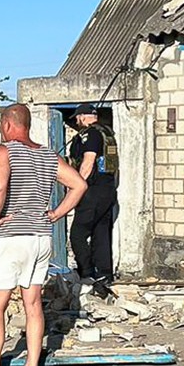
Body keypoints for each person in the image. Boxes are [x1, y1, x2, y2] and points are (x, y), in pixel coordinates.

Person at [0, 104, 86, 366]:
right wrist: (56, 214)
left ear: (7, 124)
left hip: (12, 237)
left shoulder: (4, 152)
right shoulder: (48, 155)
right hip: (40, 237)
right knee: (33, 304)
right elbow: (79, 185)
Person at [68, 102, 118, 298]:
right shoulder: (107, 133)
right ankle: (104, 275)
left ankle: (87, 274)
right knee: (101, 234)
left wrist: (77, 187)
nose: (77, 122)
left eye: (77, 118)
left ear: (82, 117)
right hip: (108, 189)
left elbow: (88, 162)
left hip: (92, 190)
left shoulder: (90, 135)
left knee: (78, 234)